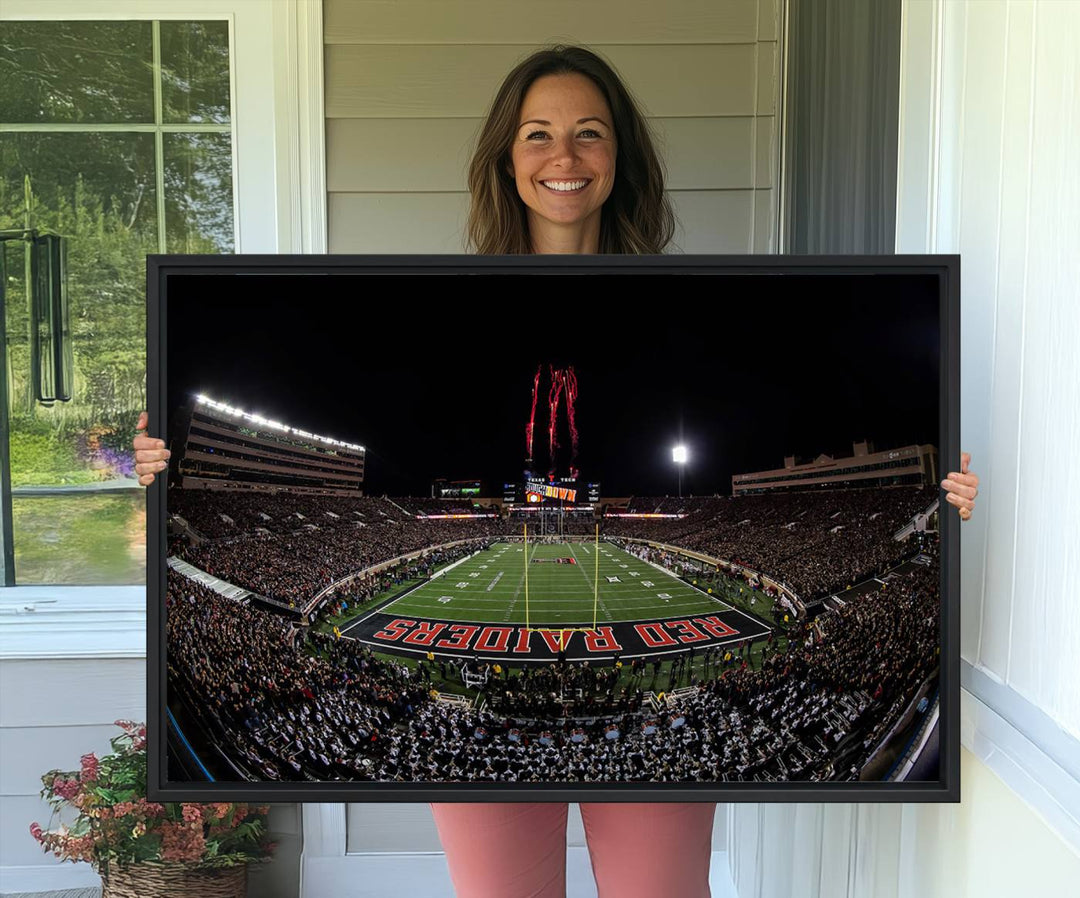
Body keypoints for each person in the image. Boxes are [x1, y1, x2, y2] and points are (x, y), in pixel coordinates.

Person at [134, 44, 981, 898]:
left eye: (589, 134)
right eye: (537, 134)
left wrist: (933, 498)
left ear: (621, 158)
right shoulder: (448, 298)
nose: (564, 157)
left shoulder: (681, 299)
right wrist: (166, 474)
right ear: (507, 157)